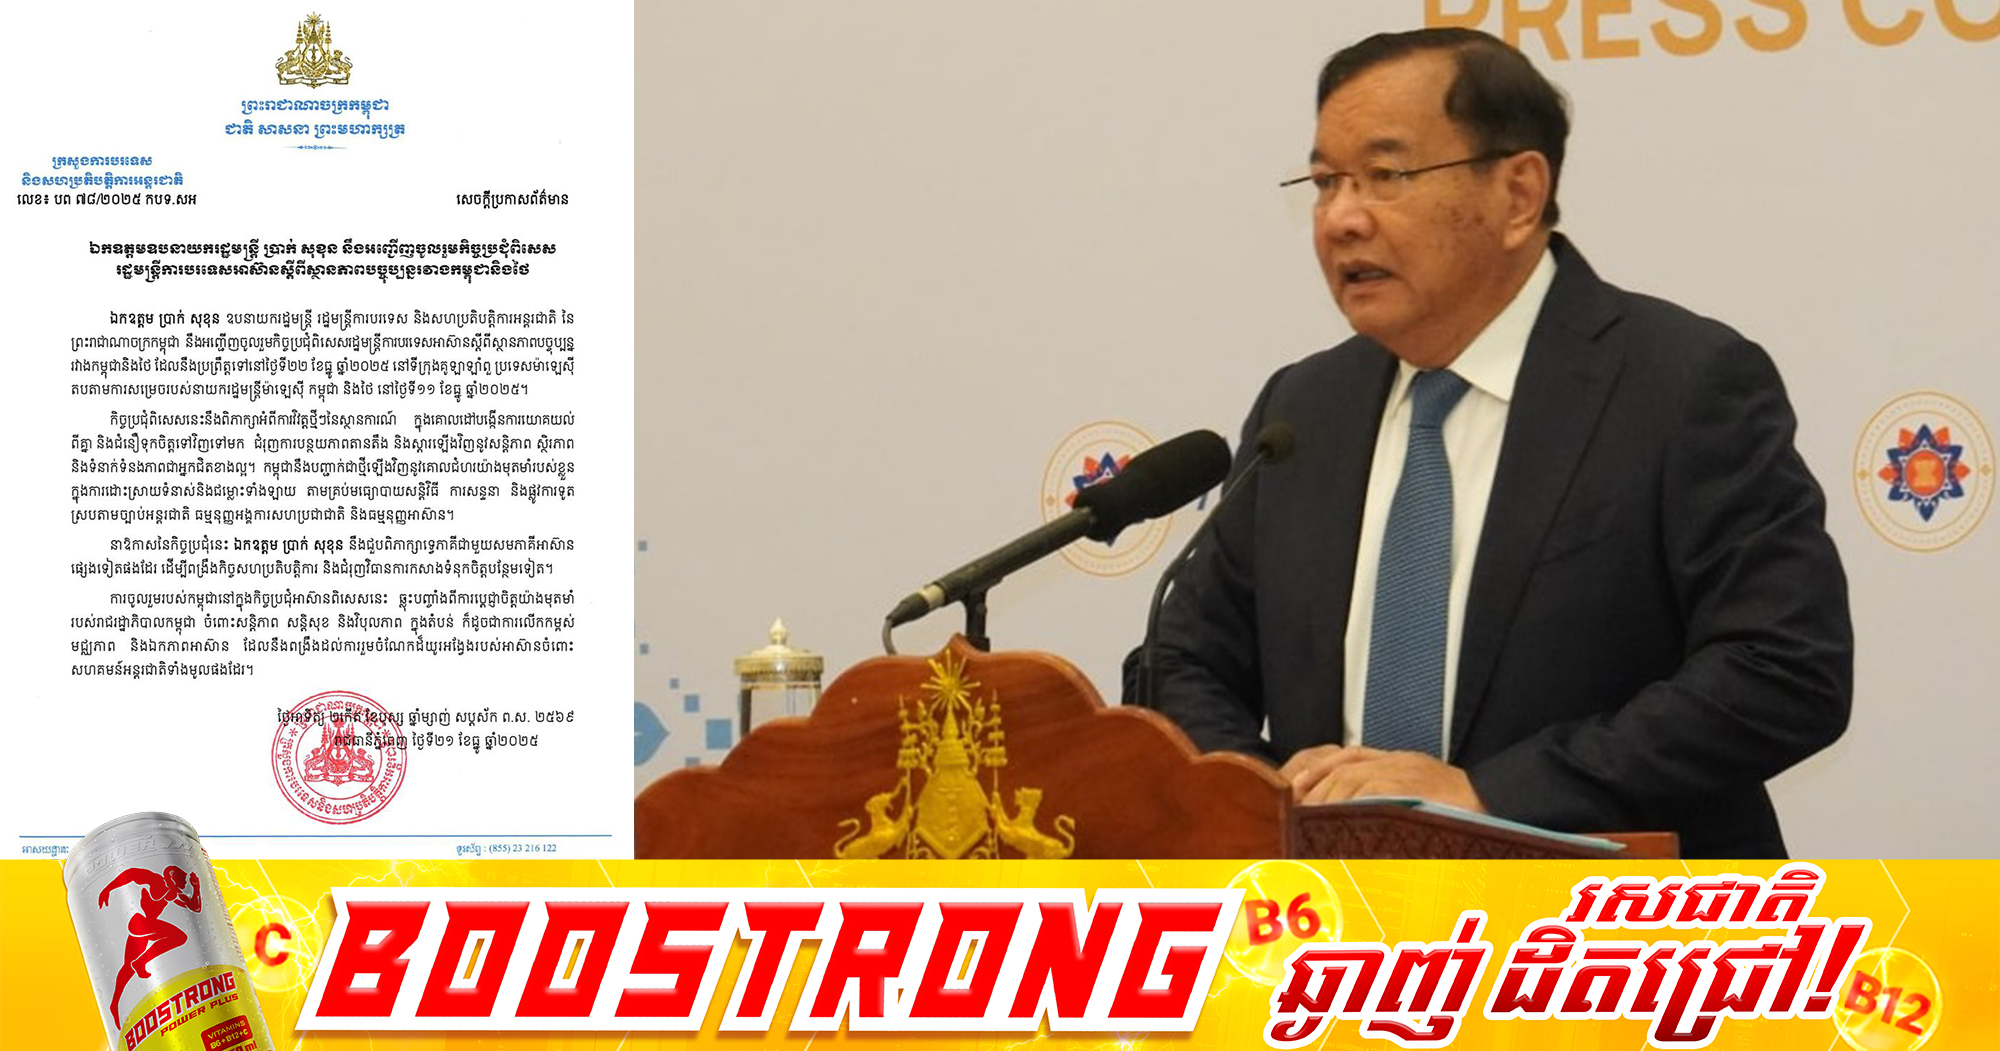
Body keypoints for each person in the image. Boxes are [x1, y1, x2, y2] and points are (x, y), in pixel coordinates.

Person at [1137, 27, 1851, 858]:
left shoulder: (1681, 384)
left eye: (1386, 176)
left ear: (1518, 193)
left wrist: (1488, 795)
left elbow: (1782, 667)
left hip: (1611, 922)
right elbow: (1180, 661)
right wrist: (1270, 800)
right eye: (1327, 182)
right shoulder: (1304, 408)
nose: (1341, 219)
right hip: (1335, 917)